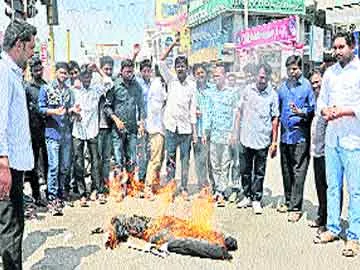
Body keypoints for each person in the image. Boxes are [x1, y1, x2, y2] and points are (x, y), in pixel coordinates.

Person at [314, 32, 360, 257]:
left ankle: (354, 236)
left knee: (355, 191)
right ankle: (332, 227)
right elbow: (321, 100)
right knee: (332, 187)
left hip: (353, 140)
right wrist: (325, 110)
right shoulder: (330, 73)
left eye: (341, 46)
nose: (337, 51)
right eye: (335, 47)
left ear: (352, 46)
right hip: (333, 139)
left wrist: (345, 111)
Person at [0, 19, 36, 270]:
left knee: (14, 225)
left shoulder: (12, 73)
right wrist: (2, 163)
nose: (33, 53)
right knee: (10, 227)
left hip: (14, 164)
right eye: (31, 48)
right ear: (19, 45)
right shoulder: (3, 74)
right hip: (7, 165)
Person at [235, 63, 279, 214]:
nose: (263, 79)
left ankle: (256, 199)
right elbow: (239, 111)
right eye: (261, 76)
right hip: (245, 137)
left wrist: (274, 141)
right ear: (256, 76)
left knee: (259, 171)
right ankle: (247, 195)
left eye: (265, 77)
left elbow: (275, 119)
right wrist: (235, 133)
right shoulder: (247, 90)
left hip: (262, 139)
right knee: (245, 170)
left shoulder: (272, 94)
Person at [39, 62, 81, 215]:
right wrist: (54, 111)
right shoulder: (47, 88)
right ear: (56, 72)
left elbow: (69, 110)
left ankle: (61, 192)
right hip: (52, 134)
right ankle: (52, 197)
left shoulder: (69, 91)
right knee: (54, 167)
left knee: (64, 167)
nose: (63, 76)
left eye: (66, 73)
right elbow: (40, 108)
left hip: (66, 135)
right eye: (61, 73)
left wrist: (73, 111)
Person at [277, 55, 315, 222]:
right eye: (289, 69)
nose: (291, 72)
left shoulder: (307, 87)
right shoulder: (283, 87)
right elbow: (277, 111)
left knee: (298, 171)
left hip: (300, 136)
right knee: (286, 171)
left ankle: (296, 207)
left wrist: (301, 112)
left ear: (300, 68)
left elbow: (313, 109)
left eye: (294, 69)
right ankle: (288, 200)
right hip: (285, 137)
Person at [159, 38, 197, 200]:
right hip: (171, 128)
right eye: (178, 66)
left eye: (183, 66)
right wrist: (173, 45)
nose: (180, 69)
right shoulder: (170, 80)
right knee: (170, 160)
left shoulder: (192, 85)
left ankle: (184, 188)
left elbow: (193, 109)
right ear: (175, 68)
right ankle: (170, 189)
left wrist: (194, 133)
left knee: (185, 161)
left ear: (187, 69)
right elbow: (160, 61)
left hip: (186, 129)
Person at [72, 64, 112, 207]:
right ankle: (83, 194)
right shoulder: (75, 91)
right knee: (79, 163)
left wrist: (98, 69)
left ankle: (98, 190)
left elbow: (109, 82)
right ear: (80, 77)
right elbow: (68, 107)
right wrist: (73, 111)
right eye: (84, 76)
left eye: (89, 76)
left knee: (96, 162)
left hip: (93, 131)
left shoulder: (96, 89)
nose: (87, 79)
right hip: (78, 131)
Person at [104, 59, 144, 176]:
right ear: (121, 71)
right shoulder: (115, 85)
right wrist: (116, 120)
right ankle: (119, 189)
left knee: (131, 160)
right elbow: (107, 107)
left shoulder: (136, 86)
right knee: (118, 160)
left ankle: (131, 188)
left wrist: (141, 123)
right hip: (118, 129)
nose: (129, 74)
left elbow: (141, 106)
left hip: (132, 129)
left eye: (131, 72)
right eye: (127, 72)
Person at [207, 64, 237, 207]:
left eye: (218, 75)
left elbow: (236, 114)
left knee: (225, 164)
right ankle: (217, 190)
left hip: (226, 135)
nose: (215, 78)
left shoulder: (232, 93)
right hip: (214, 134)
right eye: (214, 76)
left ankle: (222, 192)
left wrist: (233, 133)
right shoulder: (211, 92)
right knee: (215, 165)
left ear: (224, 76)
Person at [25, 56, 48, 206]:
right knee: (32, 163)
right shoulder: (27, 88)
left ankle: (47, 193)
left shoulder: (46, 86)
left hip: (47, 129)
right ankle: (36, 194)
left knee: (47, 161)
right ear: (31, 71)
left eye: (40, 69)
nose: (39, 72)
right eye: (36, 70)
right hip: (32, 130)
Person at [308, 70, 328, 232]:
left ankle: (329, 221)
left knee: (330, 187)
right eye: (313, 83)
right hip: (317, 151)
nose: (315, 86)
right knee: (320, 186)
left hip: (329, 153)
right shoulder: (316, 100)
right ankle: (322, 217)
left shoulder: (329, 99)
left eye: (317, 82)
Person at [144, 65, 167, 200]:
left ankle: (155, 184)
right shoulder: (157, 85)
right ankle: (148, 187)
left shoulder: (162, 84)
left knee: (161, 159)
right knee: (155, 159)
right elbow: (157, 107)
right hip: (156, 127)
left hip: (162, 127)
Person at [193, 63, 213, 191]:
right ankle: (202, 186)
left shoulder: (212, 89)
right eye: (197, 73)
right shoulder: (192, 90)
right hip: (197, 132)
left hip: (211, 131)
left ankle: (215, 187)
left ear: (206, 74)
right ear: (194, 75)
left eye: (202, 72)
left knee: (212, 161)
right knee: (199, 161)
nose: (200, 75)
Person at [98, 56, 114, 187]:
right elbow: (106, 81)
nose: (108, 71)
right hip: (97, 127)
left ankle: (105, 185)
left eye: (110, 69)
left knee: (107, 159)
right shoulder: (97, 84)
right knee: (97, 159)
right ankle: (96, 186)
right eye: (105, 69)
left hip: (109, 127)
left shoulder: (112, 84)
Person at [136, 59, 152, 182]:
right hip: (140, 122)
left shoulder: (154, 84)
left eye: (148, 70)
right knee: (141, 153)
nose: (146, 73)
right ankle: (140, 179)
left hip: (151, 123)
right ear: (140, 72)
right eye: (144, 71)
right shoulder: (138, 84)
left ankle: (149, 178)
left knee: (150, 151)